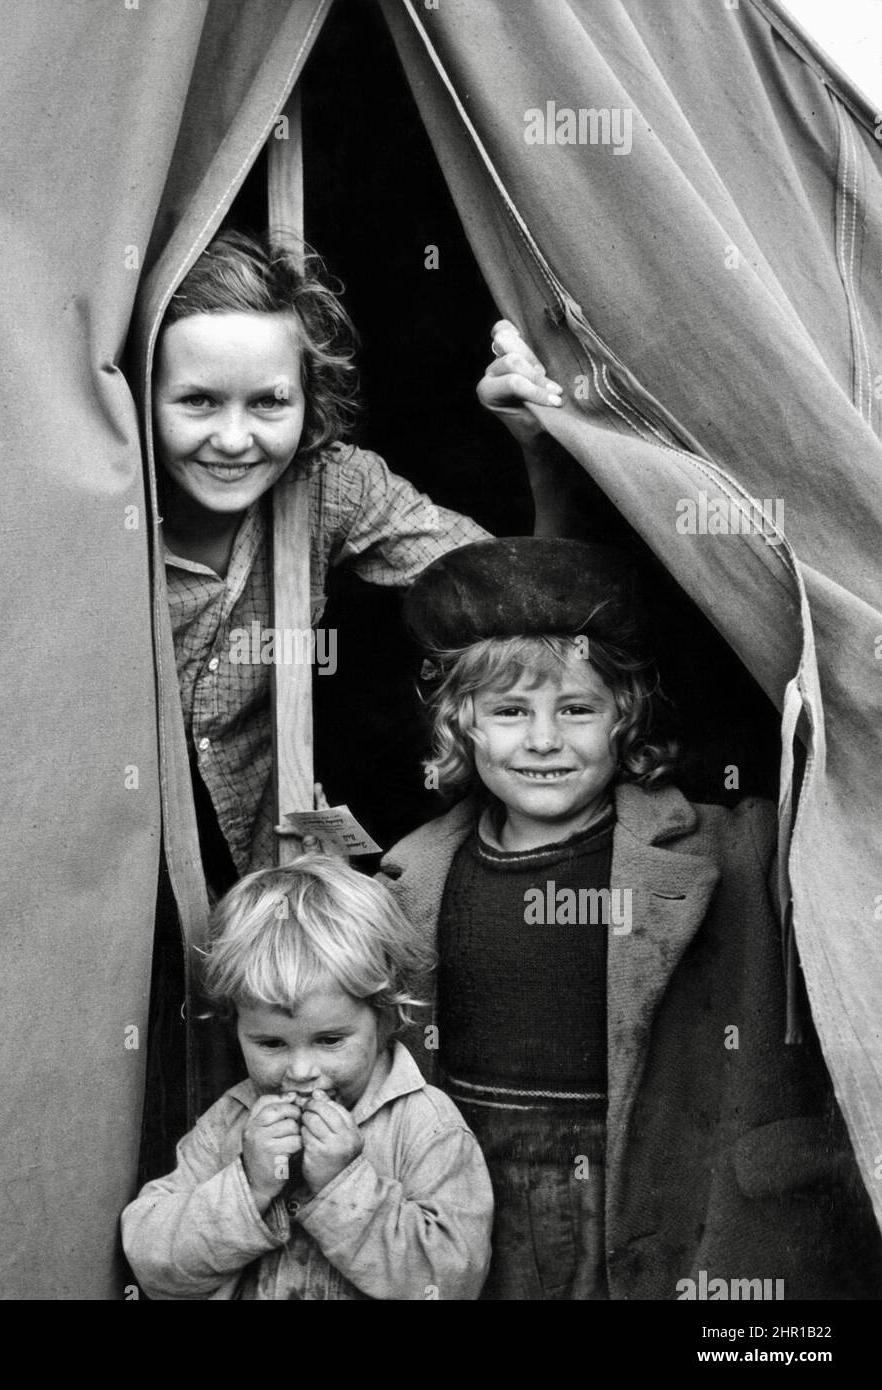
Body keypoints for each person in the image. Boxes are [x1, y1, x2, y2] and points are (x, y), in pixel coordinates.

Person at [378, 534, 882, 1299]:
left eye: (577, 708)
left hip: (652, 1200)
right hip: (470, 1204)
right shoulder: (407, 876)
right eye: (509, 710)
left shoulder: (732, 849)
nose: (544, 740)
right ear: (460, 724)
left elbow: (851, 772)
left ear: (626, 716)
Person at [155, 230, 515, 887]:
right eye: (198, 400)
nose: (234, 439)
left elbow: (510, 587)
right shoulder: (94, 513)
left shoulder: (327, 485)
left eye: (268, 401)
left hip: (258, 884)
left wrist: (538, 440)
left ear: (307, 398)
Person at [121, 854, 493, 1299]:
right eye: (272, 1044)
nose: (300, 1072)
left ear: (386, 1019)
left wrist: (345, 1185)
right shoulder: (230, 1121)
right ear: (235, 1027)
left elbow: (452, 1281)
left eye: (330, 1040)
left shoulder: (427, 1127)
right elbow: (152, 1261)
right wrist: (249, 1184)